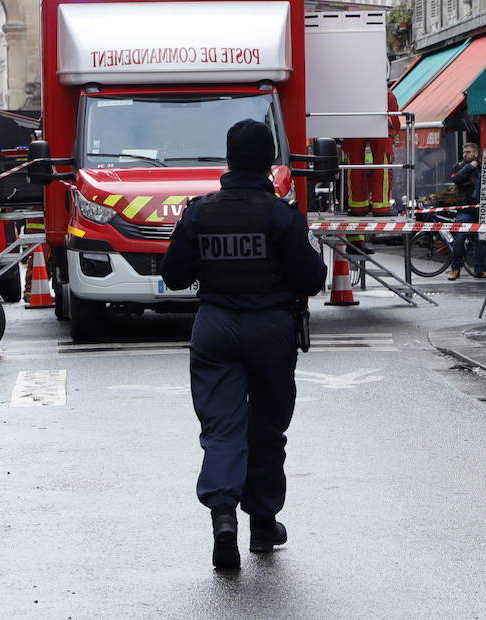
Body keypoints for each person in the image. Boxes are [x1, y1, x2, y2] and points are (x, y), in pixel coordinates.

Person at [160, 120, 328, 572]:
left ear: (229, 160)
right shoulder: (282, 214)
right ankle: (263, 525)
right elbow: (314, 278)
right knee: (267, 430)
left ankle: (223, 520)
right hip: (271, 329)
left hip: (214, 327)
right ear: (270, 162)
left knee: (221, 430)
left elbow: (173, 275)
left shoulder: (200, 211)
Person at [340, 88, 401, 216]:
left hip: (354, 126)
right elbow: (395, 122)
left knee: (354, 165)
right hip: (381, 129)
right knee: (382, 166)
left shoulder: (349, 92)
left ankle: (357, 206)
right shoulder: (386, 94)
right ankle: (381, 207)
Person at [447, 142, 485, 279]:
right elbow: (457, 179)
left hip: (480, 209)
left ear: (475, 153)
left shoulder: (483, 167)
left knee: (481, 239)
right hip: (465, 209)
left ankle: (479, 269)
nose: (465, 154)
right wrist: (469, 167)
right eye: (464, 152)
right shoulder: (459, 166)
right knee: (459, 238)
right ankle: (455, 268)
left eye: (468, 152)